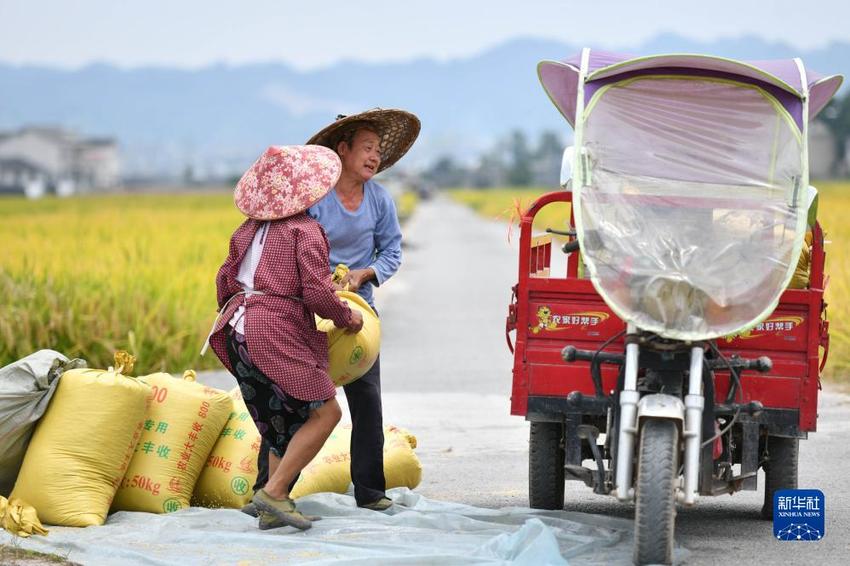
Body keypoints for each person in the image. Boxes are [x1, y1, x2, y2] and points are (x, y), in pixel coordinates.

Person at [251, 109, 420, 511]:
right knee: (290, 401)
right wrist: (317, 283)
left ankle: (371, 492)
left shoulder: (379, 199)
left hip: (359, 315)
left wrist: (366, 274)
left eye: (378, 150)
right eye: (366, 147)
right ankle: (268, 489)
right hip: (309, 313)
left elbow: (392, 250)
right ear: (341, 150)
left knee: (367, 401)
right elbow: (294, 245)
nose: (374, 156)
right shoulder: (315, 199)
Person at [204, 144, 363, 531]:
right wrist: (348, 317)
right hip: (272, 333)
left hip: (234, 330)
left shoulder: (247, 229)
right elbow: (317, 294)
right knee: (327, 412)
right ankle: (273, 493)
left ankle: (274, 506)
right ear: (308, 192)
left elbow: (224, 280)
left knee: (280, 421)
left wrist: (245, 310)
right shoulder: (305, 230)